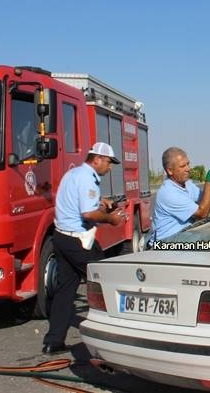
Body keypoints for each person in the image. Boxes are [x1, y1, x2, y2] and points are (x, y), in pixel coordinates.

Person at [43, 142, 128, 354]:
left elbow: (78, 203)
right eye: (109, 162)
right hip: (79, 242)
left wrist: (101, 201)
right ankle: (117, 341)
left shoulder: (73, 175)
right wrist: (112, 219)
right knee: (107, 283)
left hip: (61, 238)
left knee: (65, 291)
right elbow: (88, 214)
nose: (110, 168)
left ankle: (53, 342)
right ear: (96, 159)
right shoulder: (88, 179)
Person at [150, 147, 210, 243]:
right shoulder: (169, 193)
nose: (188, 169)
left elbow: (209, 204)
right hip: (166, 245)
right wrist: (209, 182)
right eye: (182, 166)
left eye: (188, 164)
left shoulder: (188, 185)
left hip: (183, 239)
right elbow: (202, 214)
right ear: (170, 171)